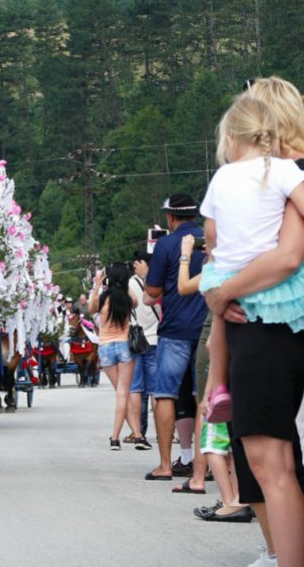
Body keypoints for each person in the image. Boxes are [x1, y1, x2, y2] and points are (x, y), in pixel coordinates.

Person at [202, 82, 304, 567]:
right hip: (256, 323)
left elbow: (286, 257)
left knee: (270, 458)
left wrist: (224, 290)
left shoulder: (280, 174)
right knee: (265, 455)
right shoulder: (268, 177)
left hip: (269, 324)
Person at [142, 194, 207, 480]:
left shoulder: (166, 245)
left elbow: (153, 291)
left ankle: (166, 464)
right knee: (205, 397)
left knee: (165, 394)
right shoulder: (210, 241)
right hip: (208, 329)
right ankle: (207, 467)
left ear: (170, 218)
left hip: (175, 330)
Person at [88, 263, 144, 450]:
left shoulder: (103, 299)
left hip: (105, 347)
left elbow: (90, 309)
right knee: (123, 393)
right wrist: (125, 285)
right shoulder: (127, 299)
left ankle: (136, 435)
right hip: (123, 345)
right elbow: (137, 301)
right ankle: (116, 437)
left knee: (121, 394)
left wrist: (97, 285)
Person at [127, 249, 158, 448]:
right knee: (156, 390)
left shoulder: (130, 284)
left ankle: (138, 432)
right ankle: (166, 432)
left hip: (137, 342)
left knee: (136, 389)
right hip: (156, 339)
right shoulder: (159, 282)